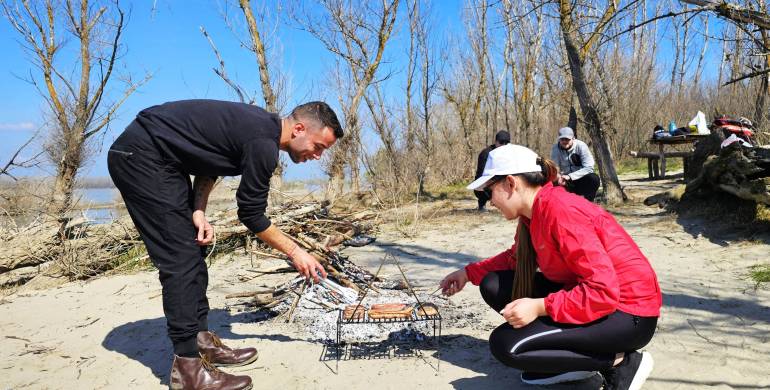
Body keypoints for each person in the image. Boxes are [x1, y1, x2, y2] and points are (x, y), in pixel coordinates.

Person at [108, 99, 342, 390]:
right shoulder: (262, 143)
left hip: (162, 160)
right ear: (298, 129)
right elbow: (251, 215)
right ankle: (188, 371)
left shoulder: (259, 130)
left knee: (193, 249)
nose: (318, 156)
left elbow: (210, 163)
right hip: (141, 157)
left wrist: (199, 210)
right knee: (180, 259)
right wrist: (296, 252)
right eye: (319, 146)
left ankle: (200, 340)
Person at [440, 144, 661, 390]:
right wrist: (467, 274)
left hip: (629, 314)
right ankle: (567, 365)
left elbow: (603, 292)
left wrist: (540, 306)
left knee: (506, 346)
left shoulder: (560, 211)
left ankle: (622, 363)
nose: (489, 201)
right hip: (591, 295)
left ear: (510, 183)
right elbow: (513, 259)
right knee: (493, 284)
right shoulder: (532, 215)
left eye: (488, 191)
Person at [550, 127, 601, 201]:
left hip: (580, 179)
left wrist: (570, 176)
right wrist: (559, 178)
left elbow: (589, 168)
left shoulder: (581, 146)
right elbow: (555, 168)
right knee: (549, 180)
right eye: (562, 139)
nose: (564, 141)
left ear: (573, 138)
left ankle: (588, 203)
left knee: (594, 178)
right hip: (565, 181)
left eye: (567, 139)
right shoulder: (555, 148)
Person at [475, 130, 511, 211]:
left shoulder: (508, 153)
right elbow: (481, 175)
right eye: (501, 142)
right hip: (485, 183)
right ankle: (482, 203)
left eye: (506, 143)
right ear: (496, 142)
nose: (504, 145)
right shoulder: (486, 153)